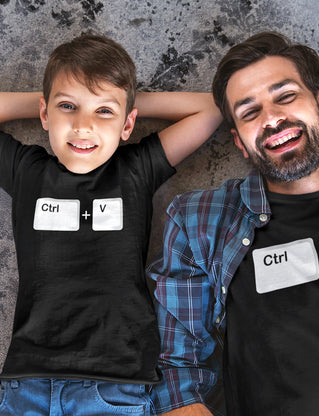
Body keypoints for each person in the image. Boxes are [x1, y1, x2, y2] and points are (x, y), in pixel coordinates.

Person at [147, 32, 319, 415]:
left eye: (286, 96)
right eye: (249, 113)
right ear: (239, 143)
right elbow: (175, 371)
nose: (272, 119)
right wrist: (303, 114)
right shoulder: (199, 221)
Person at [0, 34, 222, 416]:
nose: (83, 125)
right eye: (68, 106)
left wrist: (125, 98)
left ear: (127, 124)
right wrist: (63, 96)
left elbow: (215, 109)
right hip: (27, 384)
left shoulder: (135, 169)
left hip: (117, 387)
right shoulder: (28, 171)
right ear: (43, 114)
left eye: (103, 112)